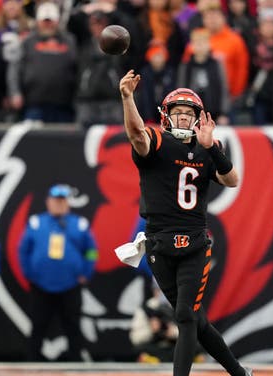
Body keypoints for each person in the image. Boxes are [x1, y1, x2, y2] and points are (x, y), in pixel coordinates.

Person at [119, 71, 251, 376]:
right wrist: (128, 98)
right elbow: (137, 134)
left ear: (198, 118)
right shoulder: (157, 140)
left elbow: (232, 180)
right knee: (196, 320)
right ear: (166, 116)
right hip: (158, 242)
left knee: (185, 316)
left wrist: (212, 148)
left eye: (187, 113)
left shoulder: (207, 148)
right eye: (176, 113)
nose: (181, 118)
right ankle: (240, 373)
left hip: (193, 242)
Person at [19, 184, 98, 361]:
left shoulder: (80, 224)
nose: (59, 204)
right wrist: (29, 273)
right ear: (48, 202)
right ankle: (33, 360)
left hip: (70, 285)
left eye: (62, 200)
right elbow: (23, 250)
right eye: (56, 200)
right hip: (41, 285)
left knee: (72, 324)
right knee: (38, 324)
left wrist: (86, 272)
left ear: (68, 203)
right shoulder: (36, 223)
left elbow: (92, 251)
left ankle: (75, 360)